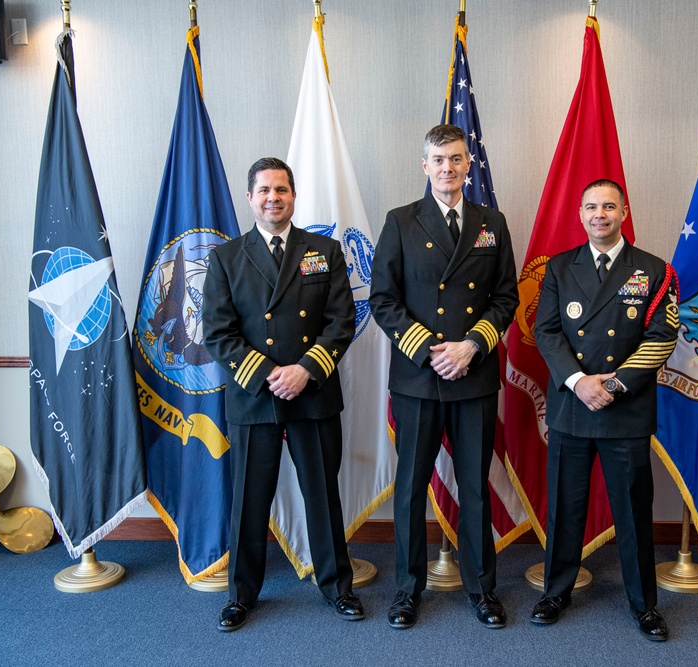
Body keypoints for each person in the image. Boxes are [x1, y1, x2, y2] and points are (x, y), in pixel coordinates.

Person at [369, 124, 518, 629]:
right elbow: (382, 300)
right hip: (418, 377)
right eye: (438, 159)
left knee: (475, 486)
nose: (447, 168)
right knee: (411, 487)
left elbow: (506, 299)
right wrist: (429, 350)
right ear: (424, 165)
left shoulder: (491, 222)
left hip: (472, 376)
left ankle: (482, 590)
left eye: (456, 159)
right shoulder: (401, 221)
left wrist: (471, 345)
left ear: (468, 163)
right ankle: (407, 590)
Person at [203, 157, 361, 631]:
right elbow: (217, 332)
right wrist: (271, 373)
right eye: (264, 190)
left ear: (294, 196)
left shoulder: (325, 251)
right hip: (255, 397)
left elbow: (341, 322)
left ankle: (338, 587)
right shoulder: (227, 257)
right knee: (249, 500)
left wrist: (305, 370)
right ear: (249, 198)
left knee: (322, 495)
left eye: (282, 189)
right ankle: (241, 595)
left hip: (312, 394)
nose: (274, 197)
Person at [530, 179, 679, 641]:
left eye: (609, 207)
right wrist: (579, 382)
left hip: (624, 408)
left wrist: (611, 384)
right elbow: (546, 331)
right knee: (565, 507)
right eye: (592, 206)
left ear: (624, 212)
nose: (600, 214)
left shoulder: (655, 270)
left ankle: (644, 604)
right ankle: (556, 591)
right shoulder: (558, 268)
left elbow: (663, 338)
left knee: (633, 511)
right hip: (573, 406)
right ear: (580, 214)